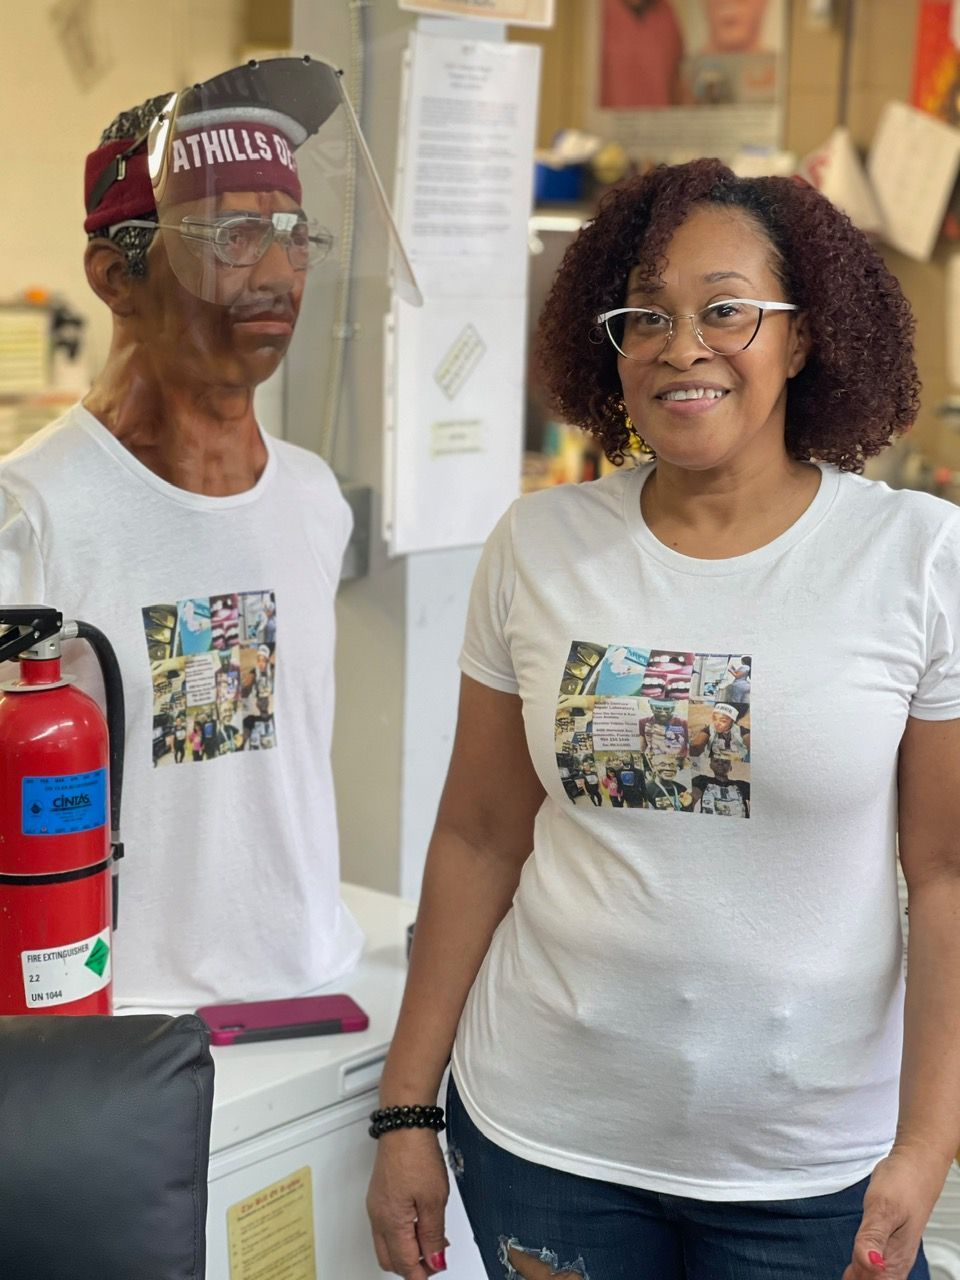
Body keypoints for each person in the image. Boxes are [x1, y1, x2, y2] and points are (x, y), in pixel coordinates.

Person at [368, 158, 959, 1280]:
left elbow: (946, 870)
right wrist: (407, 1113)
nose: (682, 345)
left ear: (803, 335)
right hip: (546, 1143)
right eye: (648, 314)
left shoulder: (917, 558)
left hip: (806, 1169)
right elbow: (480, 835)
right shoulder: (537, 547)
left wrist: (927, 1141)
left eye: (726, 309)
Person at [0, 59, 391, 1007]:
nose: (277, 273)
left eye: (295, 234)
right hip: (115, 1022)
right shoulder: (30, 513)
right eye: (233, 233)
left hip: (310, 988)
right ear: (114, 277)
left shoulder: (309, 501)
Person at [599, 0, 685, 109]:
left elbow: (678, 81)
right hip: (609, 121)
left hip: (659, 120)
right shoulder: (595, 12)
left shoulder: (666, 13)